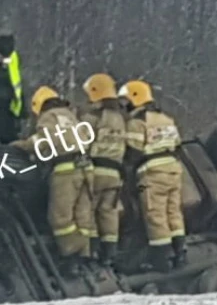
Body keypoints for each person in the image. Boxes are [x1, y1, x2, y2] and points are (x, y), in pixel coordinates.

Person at [11, 86, 97, 275]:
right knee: (82, 216)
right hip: (86, 167)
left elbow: (44, 140)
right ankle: (86, 255)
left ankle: (69, 258)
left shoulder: (48, 117)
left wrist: (21, 146)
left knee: (61, 218)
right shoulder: (70, 115)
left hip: (66, 169)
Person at [119, 80, 187, 271]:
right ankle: (180, 253)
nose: (125, 106)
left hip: (153, 173)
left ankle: (162, 258)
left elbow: (133, 152)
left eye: (126, 101)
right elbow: (177, 145)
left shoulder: (137, 122)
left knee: (155, 214)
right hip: (174, 170)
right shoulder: (166, 119)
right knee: (173, 212)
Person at [79, 73, 128, 268]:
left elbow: (81, 142)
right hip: (115, 173)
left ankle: (92, 252)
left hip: (96, 171)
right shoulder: (121, 119)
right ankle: (110, 253)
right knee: (108, 212)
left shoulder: (92, 118)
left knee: (89, 211)